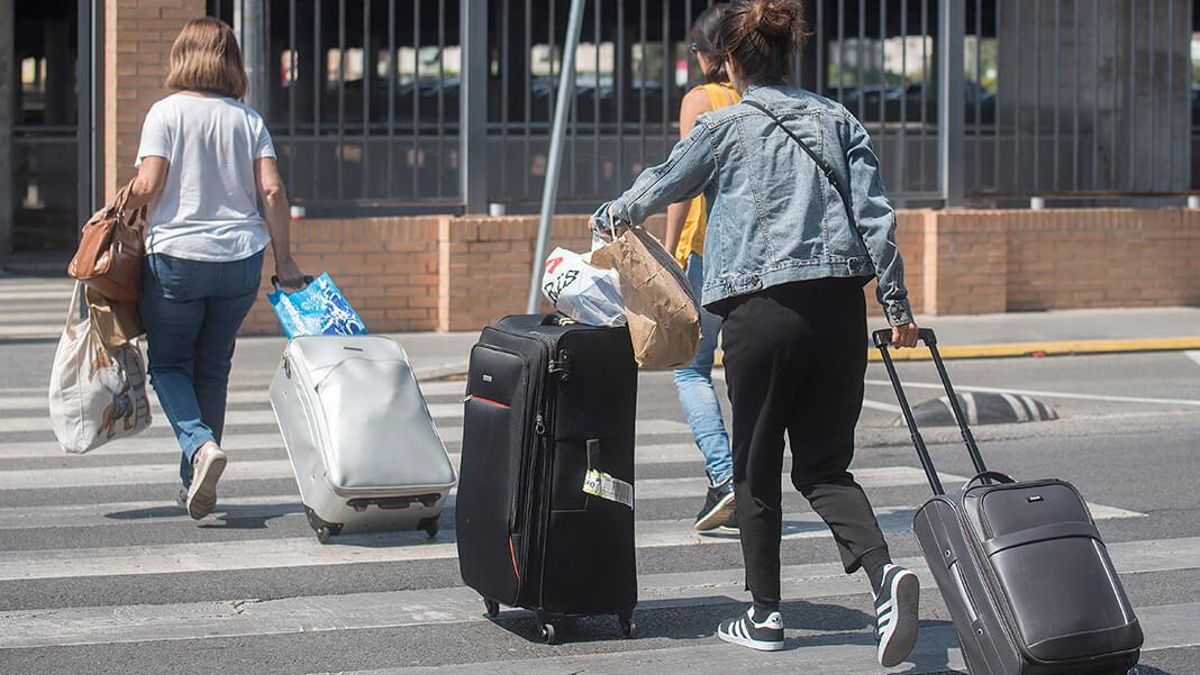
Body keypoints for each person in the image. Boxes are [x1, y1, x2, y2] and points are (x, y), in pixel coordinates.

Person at [592, 0, 922, 666]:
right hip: (839, 312)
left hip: (761, 314)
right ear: (789, 54)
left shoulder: (726, 125)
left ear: (732, 61)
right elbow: (877, 220)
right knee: (826, 465)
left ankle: (765, 615)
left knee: (755, 467)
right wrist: (898, 307)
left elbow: (662, 183)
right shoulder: (839, 119)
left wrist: (609, 216)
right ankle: (886, 575)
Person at [123, 17, 306, 520]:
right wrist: (284, 260)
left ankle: (200, 448)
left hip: (177, 260)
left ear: (183, 56)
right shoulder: (248, 119)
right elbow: (271, 191)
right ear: (231, 61)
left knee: (168, 366)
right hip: (240, 261)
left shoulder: (165, 113)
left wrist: (118, 201)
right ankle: (194, 483)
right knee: (213, 368)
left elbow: (148, 185)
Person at [664, 4, 741, 533]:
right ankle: (748, 483)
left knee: (691, 368)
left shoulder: (700, 100)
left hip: (704, 250)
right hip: (751, 253)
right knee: (742, 370)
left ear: (706, 54)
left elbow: (681, 180)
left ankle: (724, 476)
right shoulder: (758, 98)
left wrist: (668, 253)